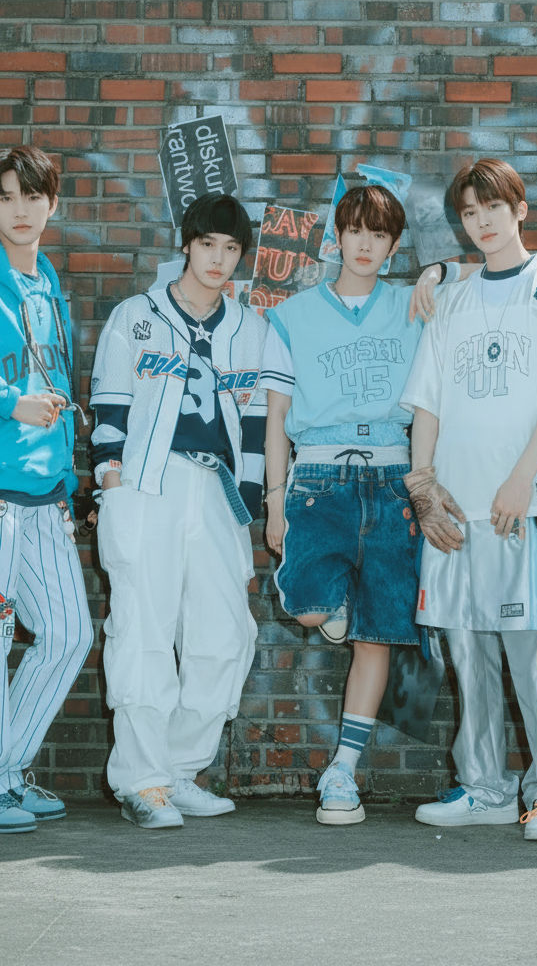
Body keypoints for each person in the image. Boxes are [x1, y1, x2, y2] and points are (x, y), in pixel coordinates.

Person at [401, 158, 537, 842]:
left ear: (520, 209)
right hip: (456, 510)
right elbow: (427, 402)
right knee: (469, 658)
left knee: (533, 656)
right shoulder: (451, 297)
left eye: (493, 207)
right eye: (469, 212)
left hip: (524, 504)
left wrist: (522, 478)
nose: (481, 222)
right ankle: (484, 788)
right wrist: (423, 488)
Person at [262, 183, 462, 825]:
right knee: (308, 608)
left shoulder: (411, 304)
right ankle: (339, 603)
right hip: (319, 478)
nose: (366, 244)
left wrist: (438, 270)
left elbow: (490, 271)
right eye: (356, 231)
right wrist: (273, 499)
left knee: (376, 637)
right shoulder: (292, 315)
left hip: (393, 477)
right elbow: (276, 418)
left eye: (380, 235)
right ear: (338, 237)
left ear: (394, 245)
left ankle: (342, 772)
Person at [91, 193, 267, 829]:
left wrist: (248, 507)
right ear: (187, 244)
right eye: (208, 244)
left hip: (215, 491)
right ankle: (142, 781)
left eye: (231, 248)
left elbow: (255, 424)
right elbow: (109, 411)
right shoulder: (136, 316)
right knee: (143, 629)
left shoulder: (250, 328)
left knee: (226, 636)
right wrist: (112, 483)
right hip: (147, 486)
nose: (218, 258)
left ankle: (180, 769)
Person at [0, 144, 93, 834]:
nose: (20, 210)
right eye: (6, 197)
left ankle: (7, 771)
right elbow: (24, 394)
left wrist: (67, 481)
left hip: (43, 496)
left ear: (52, 204)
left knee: (67, 634)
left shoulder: (48, 282)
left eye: (32, 196)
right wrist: (12, 405)